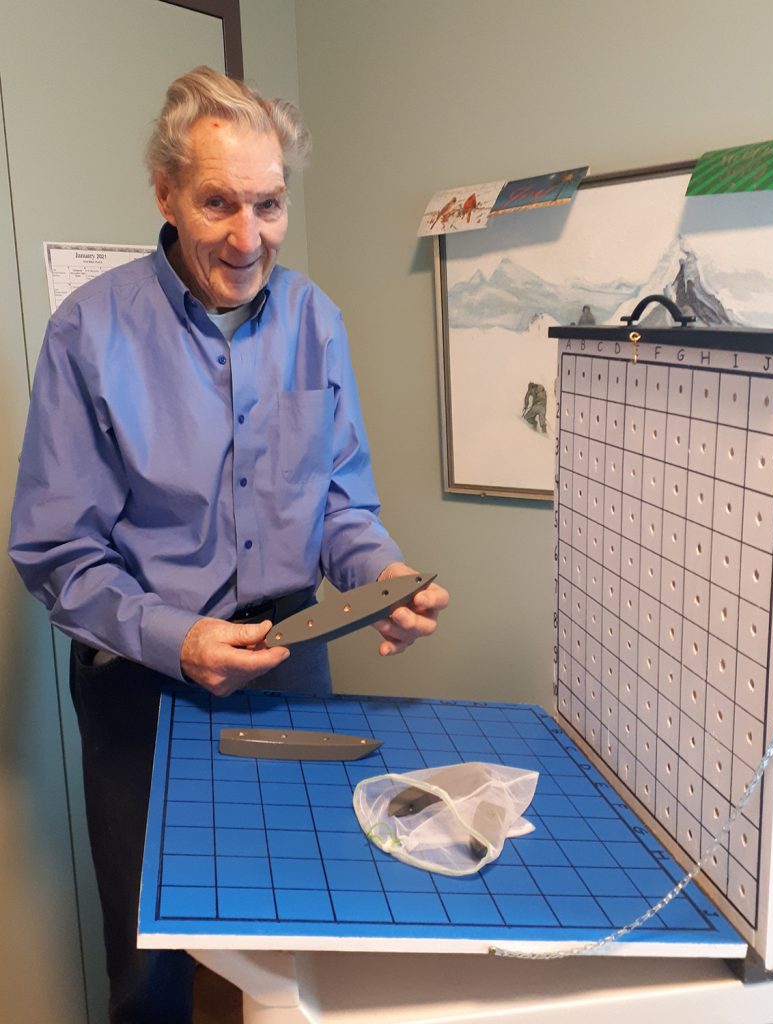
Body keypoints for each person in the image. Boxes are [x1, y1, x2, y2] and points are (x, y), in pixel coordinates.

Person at [8, 66, 448, 1024]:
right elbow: (56, 552)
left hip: (291, 660)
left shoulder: (315, 322)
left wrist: (383, 575)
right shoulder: (90, 333)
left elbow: (338, 503)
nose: (248, 238)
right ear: (165, 193)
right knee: (151, 957)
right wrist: (177, 638)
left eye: (269, 204)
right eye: (218, 203)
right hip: (141, 675)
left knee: (300, 919)